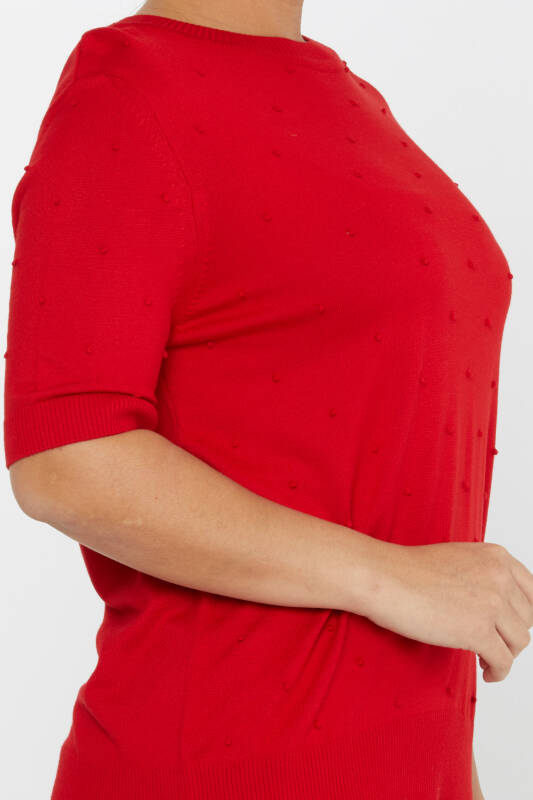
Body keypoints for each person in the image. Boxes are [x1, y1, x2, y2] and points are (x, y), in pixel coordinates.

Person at [4, 1, 532, 798]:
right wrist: (389, 578)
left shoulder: (345, 96)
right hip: (230, 763)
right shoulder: (126, 90)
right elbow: (66, 456)